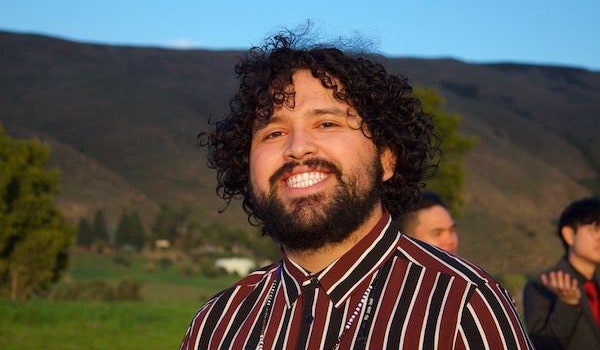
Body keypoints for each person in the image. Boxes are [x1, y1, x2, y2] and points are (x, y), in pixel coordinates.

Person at [180, 30, 533, 349]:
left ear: (386, 159)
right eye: (273, 133)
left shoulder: (461, 307)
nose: (298, 147)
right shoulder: (216, 326)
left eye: (327, 123)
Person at [523, 196, 600, 349]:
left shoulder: (596, 286)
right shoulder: (541, 286)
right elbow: (542, 346)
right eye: (594, 230)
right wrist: (568, 304)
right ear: (569, 235)